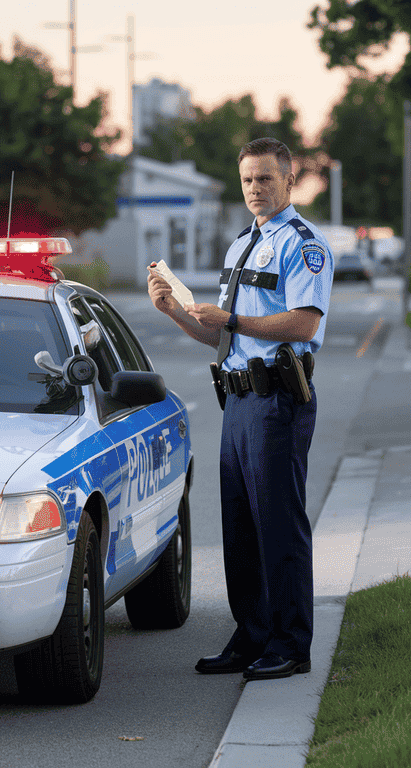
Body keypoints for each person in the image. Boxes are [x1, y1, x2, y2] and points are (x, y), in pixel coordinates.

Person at [147, 137, 334, 681]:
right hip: (238, 397)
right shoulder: (240, 246)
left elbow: (303, 323)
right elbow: (223, 342)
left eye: (267, 179)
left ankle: (291, 644)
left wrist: (230, 319)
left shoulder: (304, 244)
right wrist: (174, 313)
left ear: (289, 181)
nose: (256, 188)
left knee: (279, 524)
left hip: (278, 398)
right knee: (241, 528)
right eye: (249, 179)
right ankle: (252, 634)